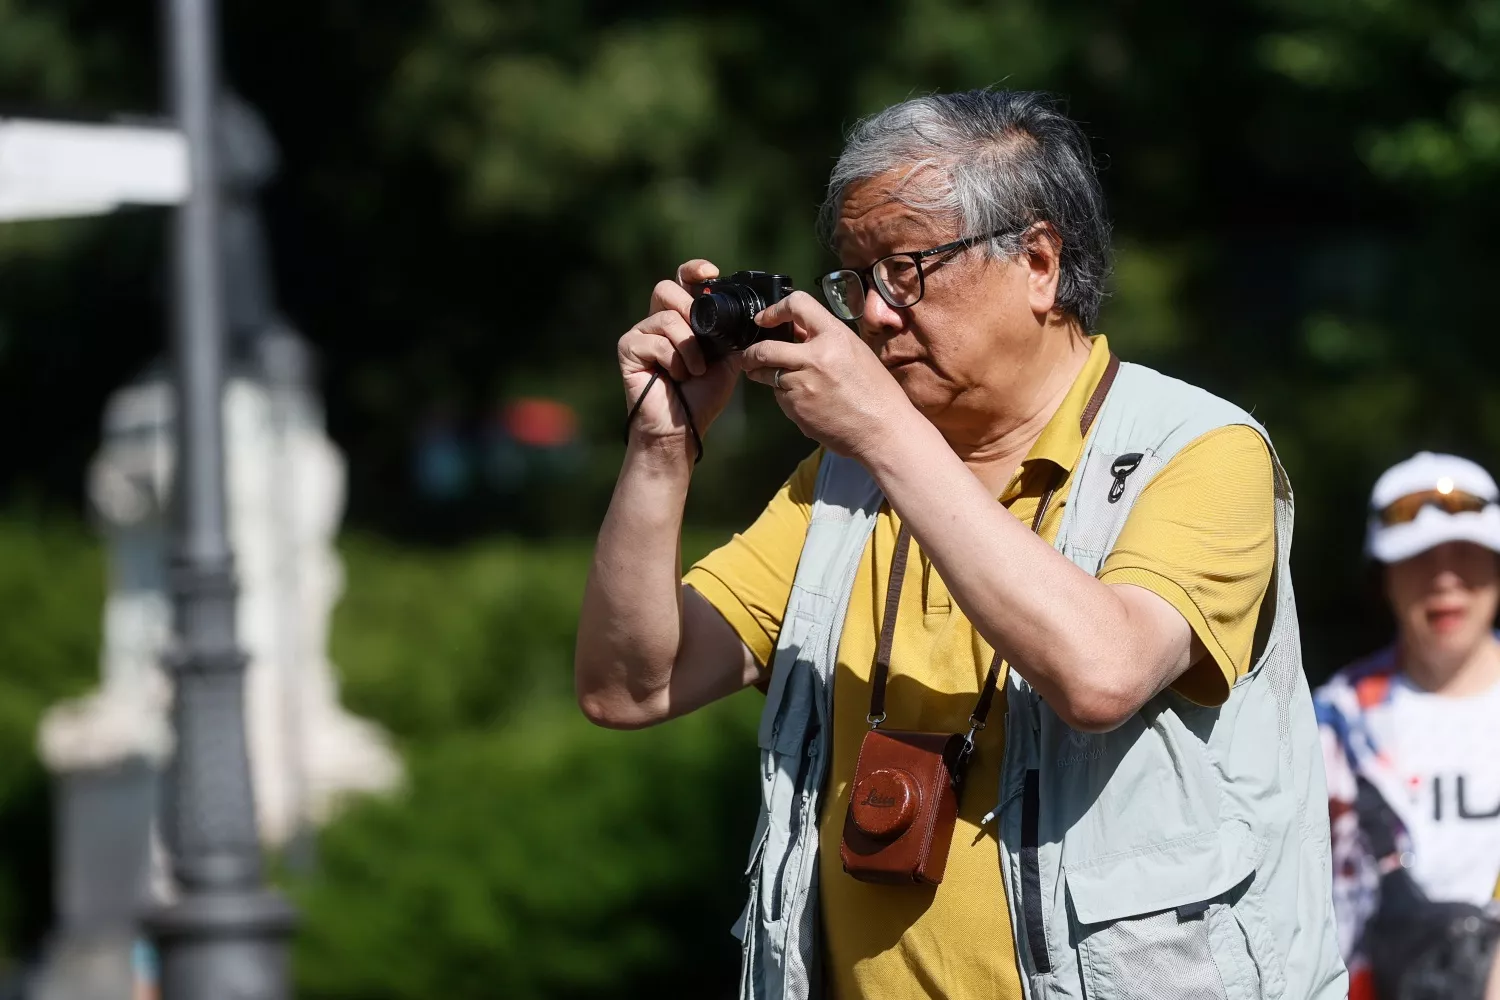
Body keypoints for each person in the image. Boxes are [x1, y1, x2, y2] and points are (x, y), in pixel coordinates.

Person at [576, 88, 1345, 1000]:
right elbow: (628, 686)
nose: (873, 316)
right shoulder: (845, 478)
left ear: (1040, 263)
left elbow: (1102, 672)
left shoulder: (1201, 451)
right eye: (854, 281)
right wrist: (664, 447)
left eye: (904, 270)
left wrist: (881, 430)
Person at [1316, 452, 1500, 1000]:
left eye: (1467, 554)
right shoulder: (1332, 720)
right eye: (1418, 557)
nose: (1445, 580)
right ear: (1383, 576)